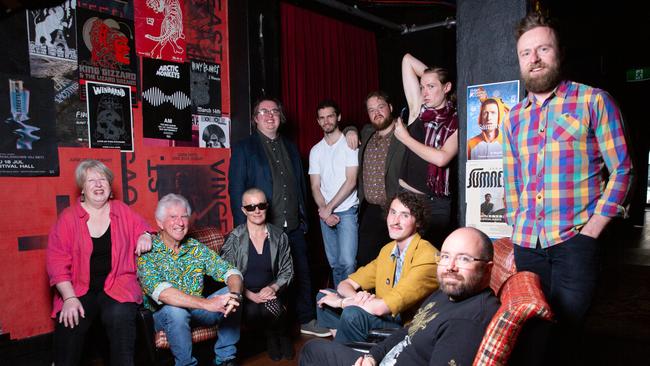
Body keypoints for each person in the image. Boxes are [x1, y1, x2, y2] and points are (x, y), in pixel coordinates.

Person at [502, 13, 633, 364]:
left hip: (575, 241)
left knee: (566, 333)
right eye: (526, 53)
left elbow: (622, 169)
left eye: (543, 48)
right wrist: (516, 229)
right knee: (531, 334)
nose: (535, 58)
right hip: (528, 244)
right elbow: (512, 180)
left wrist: (591, 230)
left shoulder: (594, 102)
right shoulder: (513, 118)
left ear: (558, 52)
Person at [299, 227, 499, 366]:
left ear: (488, 269)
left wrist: (345, 302)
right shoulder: (447, 293)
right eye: (446, 256)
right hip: (385, 357)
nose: (451, 267)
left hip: (390, 326)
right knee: (313, 349)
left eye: (464, 258)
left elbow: (384, 308)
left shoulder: (467, 321)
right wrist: (372, 357)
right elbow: (409, 331)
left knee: (347, 319)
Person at [228, 97, 326, 336]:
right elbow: (236, 190)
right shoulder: (244, 148)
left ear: (280, 117)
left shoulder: (291, 147)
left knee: (302, 273)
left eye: (274, 111)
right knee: (268, 279)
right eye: (263, 111)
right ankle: (272, 332)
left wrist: (304, 219)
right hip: (263, 230)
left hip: (293, 224)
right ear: (255, 118)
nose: (270, 115)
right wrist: (245, 232)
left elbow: (299, 186)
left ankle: (306, 320)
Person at [46, 159, 153, 366]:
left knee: (121, 317)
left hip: (117, 285)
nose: (98, 184)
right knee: (70, 321)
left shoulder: (121, 210)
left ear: (109, 186)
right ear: (83, 189)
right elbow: (56, 263)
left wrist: (145, 235)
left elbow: (143, 226)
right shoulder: (68, 218)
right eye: (91, 180)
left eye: (102, 179)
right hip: (78, 289)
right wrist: (68, 298)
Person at [314, 191, 439, 343]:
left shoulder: (428, 256)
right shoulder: (388, 250)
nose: (395, 221)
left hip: (407, 327)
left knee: (352, 313)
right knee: (324, 296)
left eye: (405, 215)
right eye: (393, 212)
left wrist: (342, 302)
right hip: (382, 313)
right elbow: (344, 285)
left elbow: (381, 307)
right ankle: (345, 345)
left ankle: (342, 353)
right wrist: (357, 298)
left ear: (418, 222)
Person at [137, 194, 243, 366]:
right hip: (165, 315)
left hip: (197, 311)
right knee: (176, 310)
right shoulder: (148, 252)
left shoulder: (195, 247)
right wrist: (206, 304)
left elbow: (231, 271)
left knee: (232, 293)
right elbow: (162, 293)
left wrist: (235, 294)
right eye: (173, 217)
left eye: (184, 216)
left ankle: (225, 358)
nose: (180, 223)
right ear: (160, 222)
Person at [220, 188, 295, 361]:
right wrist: (247, 294)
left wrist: (273, 287)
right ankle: (271, 335)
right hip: (244, 292)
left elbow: (287, 270)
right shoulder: (234, 238)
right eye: (251, 207)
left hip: (270, 290)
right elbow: (224, 272)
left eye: (261, 205)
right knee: (254, 312)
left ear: (267, 206)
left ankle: (282, 334)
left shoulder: (279, 236)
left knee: (273, 307)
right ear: (243, 210)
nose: (257, 211)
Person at [396, 53, 459, 248]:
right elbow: (406, 60)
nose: (424, 93)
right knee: (405, 259)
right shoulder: (418, 110)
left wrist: (406, 139)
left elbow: (441, 158)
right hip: (407, 197)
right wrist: (431, 78)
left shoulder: (456, 121)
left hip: (435, 204)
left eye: (431, 87)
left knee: (431, 264)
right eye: (422, 87)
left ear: (446, 87)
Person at [343, 91, 407, 267]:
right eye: (371, 110)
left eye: (380, 107)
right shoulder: (367, 131)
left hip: (395, 207)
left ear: (390, 107)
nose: (376, 113)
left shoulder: (404, 133)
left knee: (395, 261)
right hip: (370, 209)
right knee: (366, 260)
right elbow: (350, 128)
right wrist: (350, 130)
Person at [309, 99, 359, 287]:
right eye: (322, 118)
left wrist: (329, 208)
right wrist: (324, 210)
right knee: (335, 264)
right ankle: (339, 306)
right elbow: (315, 186)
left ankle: (350, 308)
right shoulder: (316, 150)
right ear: (318, 121)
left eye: (330, 116)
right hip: (325, 214)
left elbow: (351, 180)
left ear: (338, 117)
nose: (326, 121)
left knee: (347, 263)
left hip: (346, 211)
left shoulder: (349, 144)